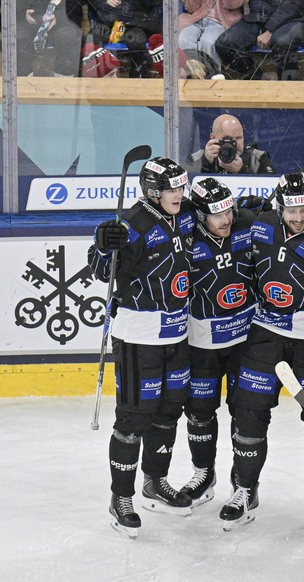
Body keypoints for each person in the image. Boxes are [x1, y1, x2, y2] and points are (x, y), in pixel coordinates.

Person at [218, 172, 304, 531]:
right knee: (249, 414)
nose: (298, 217)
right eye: (291, 209)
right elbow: (212, 222)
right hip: (266, 331)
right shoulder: (260, 224)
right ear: (278, 205)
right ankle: (244, 488)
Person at [87, 156, 196, 539]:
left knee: (169, 412)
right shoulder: (132, 224)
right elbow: (100, 271)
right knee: (134, 419)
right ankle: (121, 498)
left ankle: (155, 481)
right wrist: (103, 245)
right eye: (172, 189)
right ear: (152, 192)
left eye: (182, 187)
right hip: (139, 338)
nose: (179, 194)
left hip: (177, 335)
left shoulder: (183, 213)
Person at [179, 176, 260, 507]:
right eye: (216, 214)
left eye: (229, 210)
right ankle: (203, 473)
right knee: (199, 413)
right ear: (200, 215)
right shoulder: (182, 234)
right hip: (201, 345)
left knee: (245, 414)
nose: (225, 219)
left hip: (245, 341)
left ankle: (244, 485)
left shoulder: (249, 223)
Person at [214, 0, 304, 81]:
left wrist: (270, 29)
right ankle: (256, 82)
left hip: (297, 16)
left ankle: (287, 90)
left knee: (282, 42)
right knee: (225, 44)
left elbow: (297, 4)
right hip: (261, 17)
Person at [89, 0, 162, 78]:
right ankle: (96, 79)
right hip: (107, 22)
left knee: (137, 40)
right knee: (92, 43)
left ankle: (137, 79)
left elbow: (154, 3)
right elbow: (91, 3)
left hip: (136, 23)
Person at [186, 113, 276, 175]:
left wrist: (242, 171)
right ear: (213, 138)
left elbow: (268, 192)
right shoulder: (196, 159)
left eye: (239, 138)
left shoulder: (258, 159)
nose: (235, 144)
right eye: (228, 139)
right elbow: (188, 189)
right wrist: (206, 163)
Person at [17, 0, 84, 77]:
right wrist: (22, 13)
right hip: (24, 20)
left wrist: (59, 17)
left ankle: (65, 81)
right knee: (17, 39)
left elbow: (77, 6)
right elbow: (4, 5)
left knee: (67, 36)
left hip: (63, 19)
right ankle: (21, 82)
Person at [178, 0, 243, 76]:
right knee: (183, 39)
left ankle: (212, 75)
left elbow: (233, 5)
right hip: (196, 19)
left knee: (208, 43)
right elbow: (191, 8)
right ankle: (188, 74)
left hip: (221, 22)